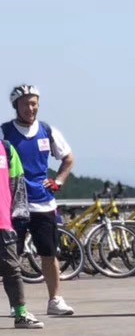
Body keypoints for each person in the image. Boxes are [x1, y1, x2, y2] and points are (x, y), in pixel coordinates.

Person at [3, 85, 76, 315]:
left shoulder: (47, 131)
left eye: (34, 103)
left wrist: (59, 181)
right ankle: (17, 306)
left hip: (43, 202)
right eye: (25, 103)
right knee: (9, 258)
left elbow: (68, 158)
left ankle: (55, 300)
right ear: (16, 106)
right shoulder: (4, 132)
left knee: (49, 252)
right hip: (14, 205)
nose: (30, 108)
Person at [1, 138, 43, 327]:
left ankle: (21, 314)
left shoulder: (6, 148)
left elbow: (17, 184)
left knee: (12, 269)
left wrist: (19, 217)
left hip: (3, 221)